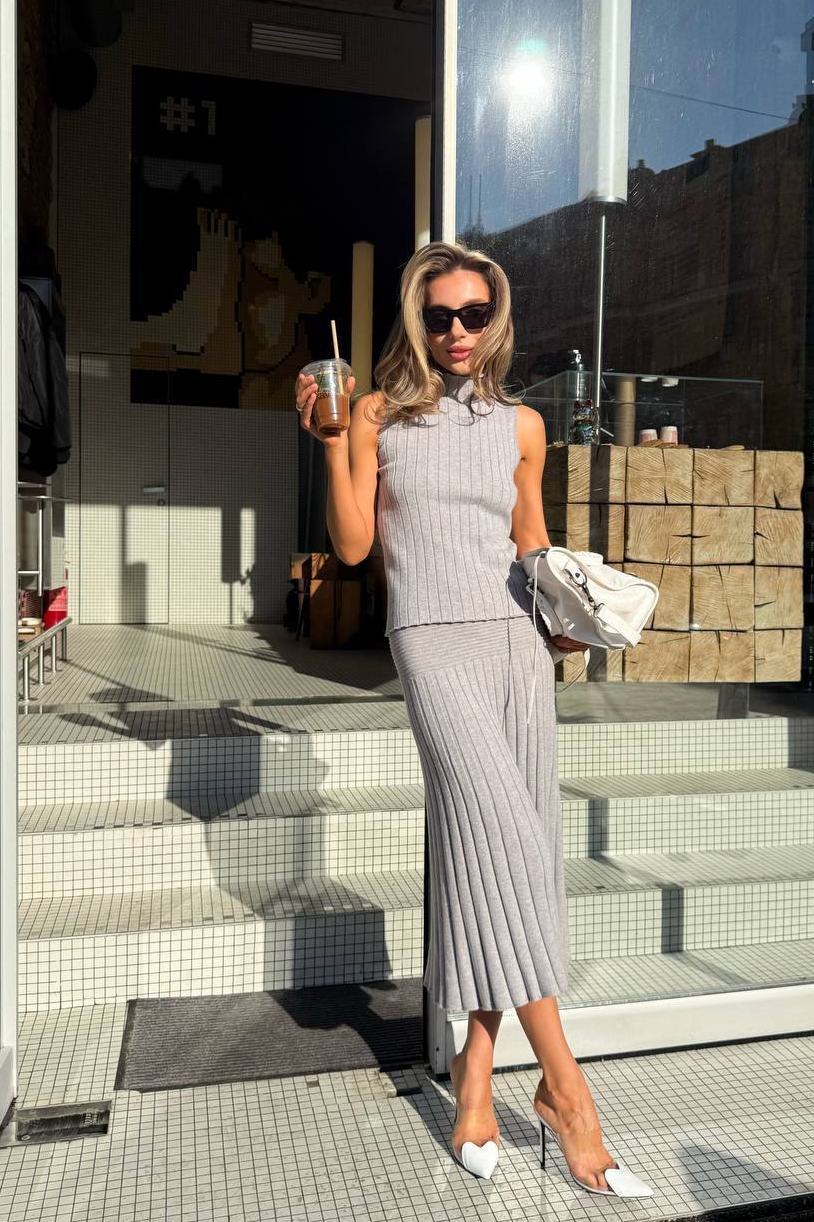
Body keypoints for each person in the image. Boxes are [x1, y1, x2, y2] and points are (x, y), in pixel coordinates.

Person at [295, 241, 653, 1199]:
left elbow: (529, 539)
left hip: (516, 645)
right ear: (418, 321)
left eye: (475, 314)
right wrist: (330, 445)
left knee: (493, 860)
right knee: (503, 842)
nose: (458, 331)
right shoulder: (376, 414)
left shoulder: (523, 426)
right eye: (441, 315)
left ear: (497, 320)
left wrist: (567, 617)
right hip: (430, 640)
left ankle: (476, 1085)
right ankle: (569, 1092)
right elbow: (355, 546)